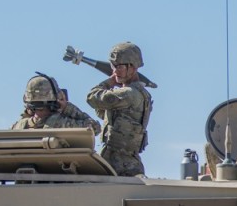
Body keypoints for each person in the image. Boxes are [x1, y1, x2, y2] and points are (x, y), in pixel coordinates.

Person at [86, 41, 153, 177]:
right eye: (113, 66)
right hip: (121, 162)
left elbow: (92, 97)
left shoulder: (128, 94)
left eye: (120, 66)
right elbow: (105, 116)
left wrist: (109, 82)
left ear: (133, 67)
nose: (115, 71)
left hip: (119, 165)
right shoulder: (139, 93)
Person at [11, 74, 88, 130]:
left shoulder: (17, 127)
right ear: (56, 98)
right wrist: (67, 108)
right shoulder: (61, 124)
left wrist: (27, 113)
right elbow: (94, 127)